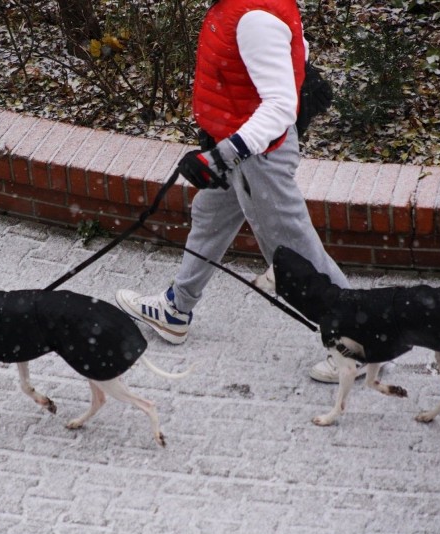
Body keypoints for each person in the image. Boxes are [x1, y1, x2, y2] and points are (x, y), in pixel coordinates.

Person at [115, 0, 350, 383]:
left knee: (292, 254)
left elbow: (279, 107)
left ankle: (356, 341)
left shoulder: (254, 18)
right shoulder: (236, 7)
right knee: (209, 218)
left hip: (257, 157)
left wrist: (222, 155)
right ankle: (176, 309)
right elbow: (298, 48)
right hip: (238, 145)